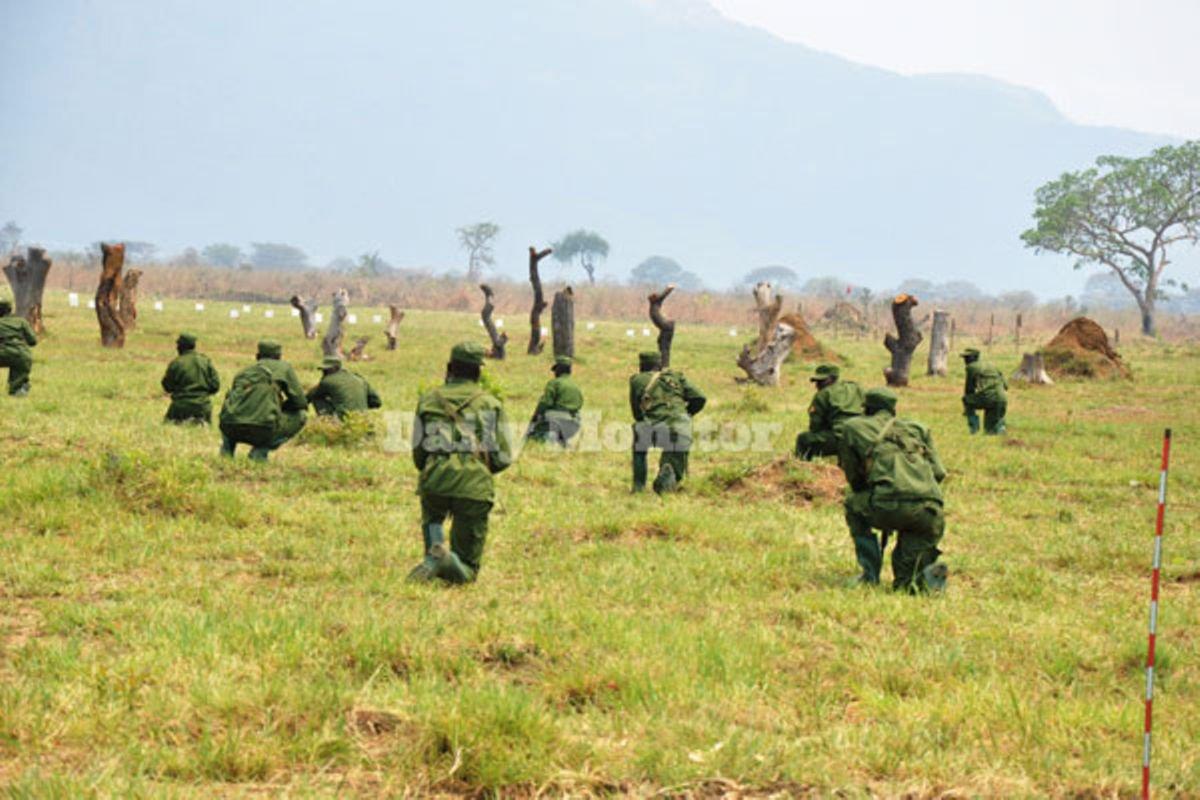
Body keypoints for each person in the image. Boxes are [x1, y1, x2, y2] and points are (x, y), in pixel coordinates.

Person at [407, 342, 513, 584]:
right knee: (467, 571)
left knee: (433, 517)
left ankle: (435, 553)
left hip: (434, 482)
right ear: (479, 372)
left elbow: (419, 454)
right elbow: (503, 457)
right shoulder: (491, 404)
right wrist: (479, 469)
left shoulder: (428, 400)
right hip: (473, 487)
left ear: (449, 367)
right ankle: (447, 561)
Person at [837, 387, 948, 593]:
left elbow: (854, 477)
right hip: (930, 509)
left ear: (867, 408)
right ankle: (922, 576)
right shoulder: (918, 428)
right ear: (893, 409)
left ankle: (869, 575)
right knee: (908, 583)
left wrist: (878, 492)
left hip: (886, 504)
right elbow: (939, 472)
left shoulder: (853, 427)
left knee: (853, 504)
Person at [629, 350, 706, 494]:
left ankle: (638, 486)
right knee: (675, 452)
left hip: (654, 428)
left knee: (639, 446)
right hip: (680, 428)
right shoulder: (676, 377)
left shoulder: (637, 380)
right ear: (660, 365)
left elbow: (637, 413)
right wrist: (687, 415)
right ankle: (669, 474)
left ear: (641, 365)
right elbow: (700, 397)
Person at [218, 340, 307, 461]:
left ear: (257, 356)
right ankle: (260, 452)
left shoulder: (244, 372)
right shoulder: (284, 368)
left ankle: (226, 452)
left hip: (230, 427)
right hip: (262, 429)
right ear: (279, 357)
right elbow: (301, 403)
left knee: (231, 415)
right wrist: (280, 407)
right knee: (301, 415)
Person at [794, 363, 864, 460]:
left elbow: (815, 426)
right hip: (862, 435)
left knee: (803, 439)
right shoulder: (855, 387)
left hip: (841, 437)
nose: (817, 385)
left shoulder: (822, 395)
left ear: (832, 378)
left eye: (821, 381)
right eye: (816, 382)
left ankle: (801, 467)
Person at [161, 332, 220, 424]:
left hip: (180, 407)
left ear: (181, 346)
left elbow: (167, 386)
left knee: (167, 426)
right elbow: (215, 386)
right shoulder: (205, 361)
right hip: (203, 407)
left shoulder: (176, 363)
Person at [525, 355, 584, 446]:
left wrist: (535, 418)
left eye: (555, 370)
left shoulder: (554, 383)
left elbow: (545, 403)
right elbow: (580, 404)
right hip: (574, 424)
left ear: (558, 370)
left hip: (555, 422)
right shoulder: (576, 386)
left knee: (536, 433)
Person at [307, 356, 382, 419]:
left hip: (343, 419)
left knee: (316, 398)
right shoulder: (359, 379)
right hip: (363, 419)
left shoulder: (327, 381)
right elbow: (377, 402)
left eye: (325, 371)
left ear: (332, 370)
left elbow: (309, 396)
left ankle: (327, 421)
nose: (323, 373)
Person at [961, 348, 1008, 434]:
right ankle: (1001, 430)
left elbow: (969, 389)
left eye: (966, 358)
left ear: (972, 358)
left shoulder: (971, 367)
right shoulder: (992, 365)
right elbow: (1006, 385)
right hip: (1002, 399)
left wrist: (968, 405)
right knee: (990, 429)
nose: (965, 360)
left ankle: (974, 429)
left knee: (966, 400)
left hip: (987, 397)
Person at [0, 299, 36, 397]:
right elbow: (33, 341)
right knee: (18, 383)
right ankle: (18, 389)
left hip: (2, 353)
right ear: (10, 309)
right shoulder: (21, 321)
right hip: (22, 354)